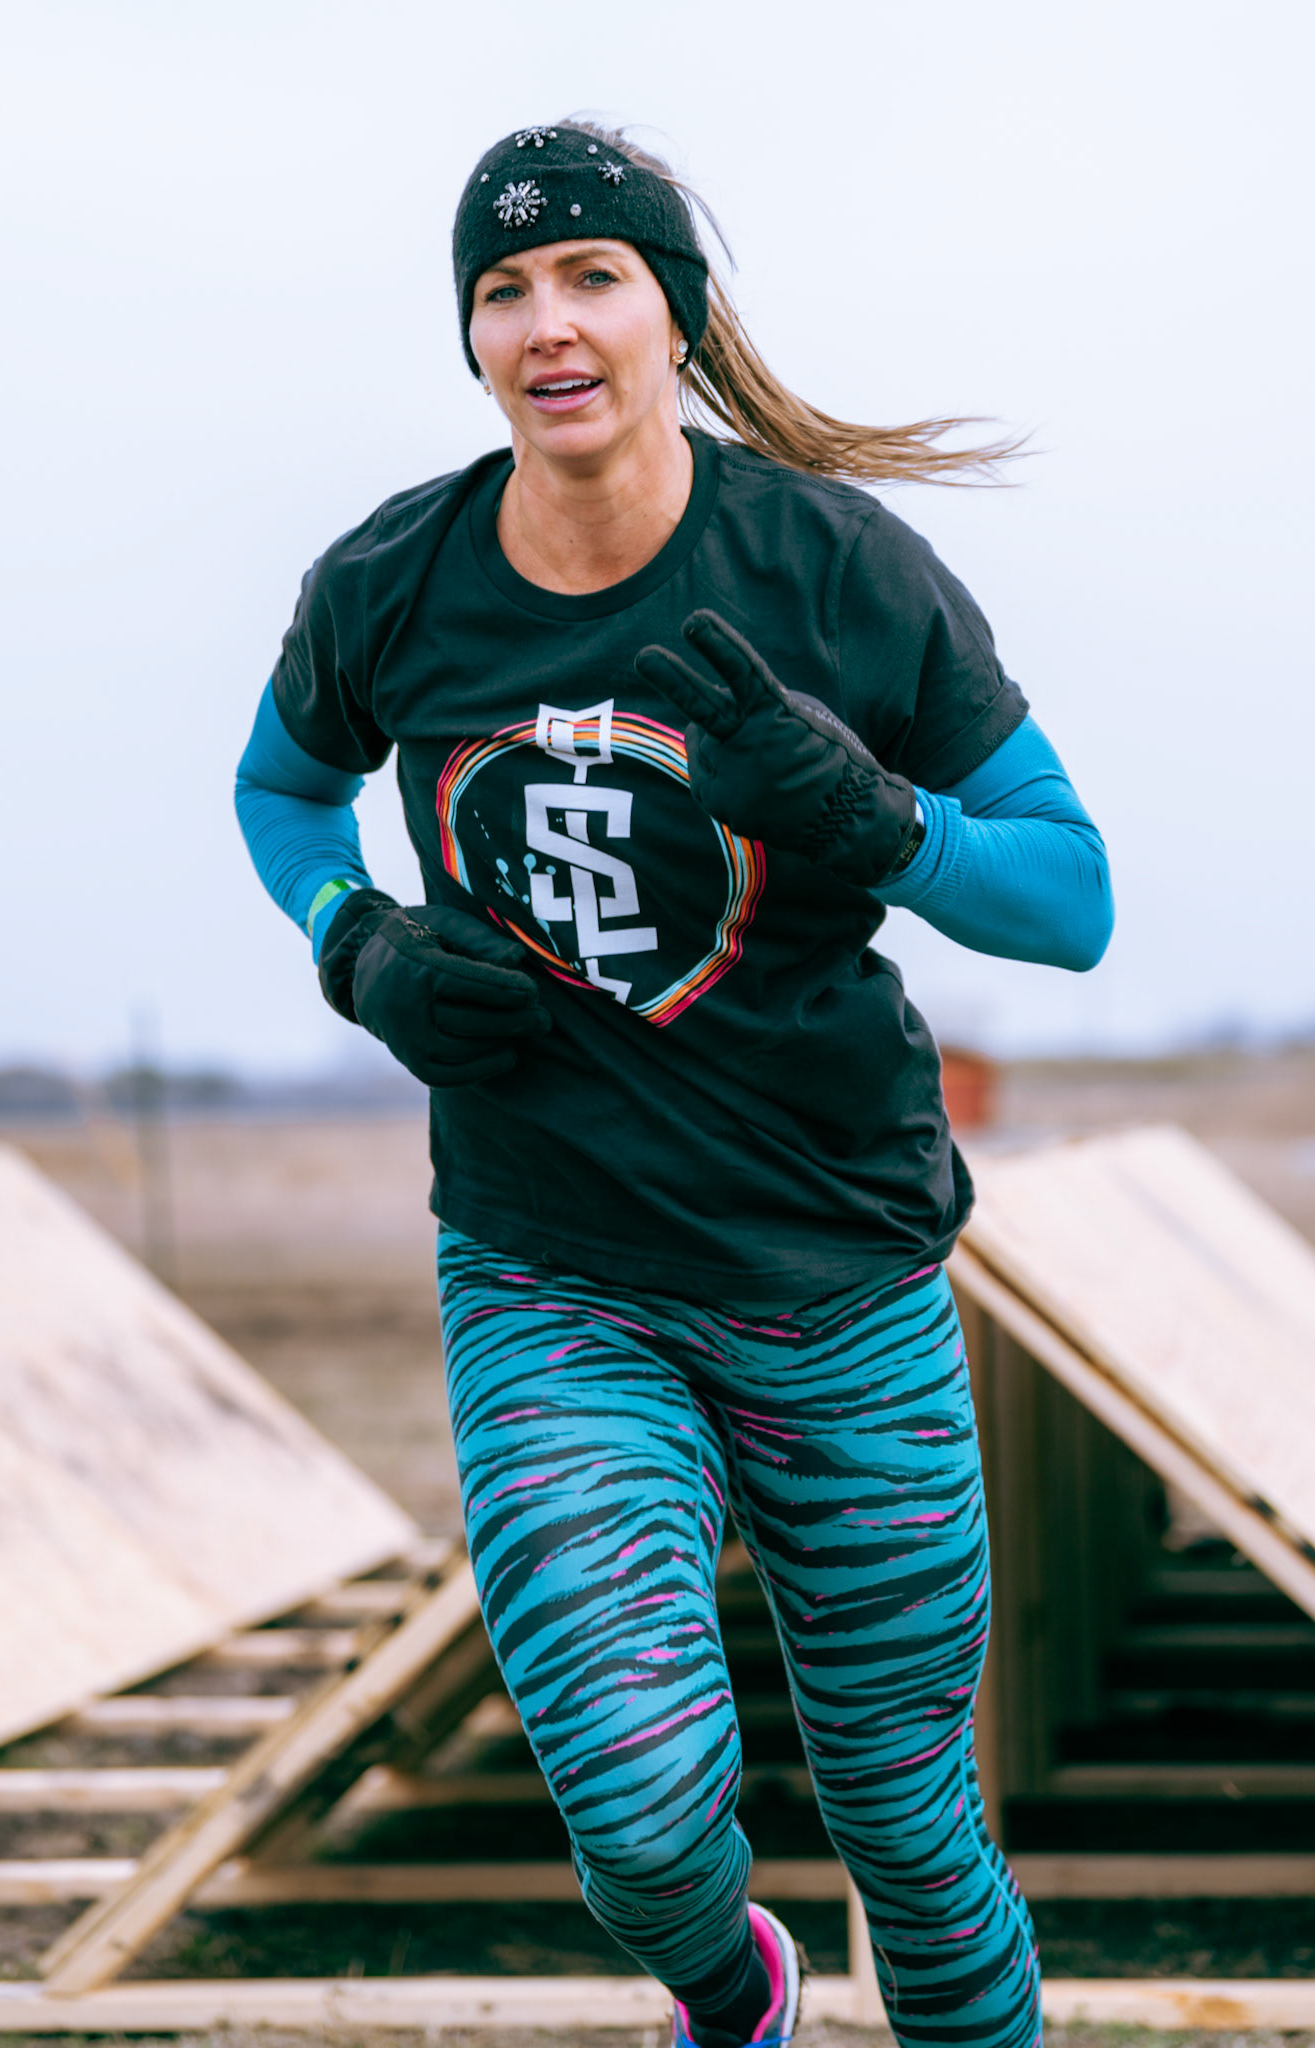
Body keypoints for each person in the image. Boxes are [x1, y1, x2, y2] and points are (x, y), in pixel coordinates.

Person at [236, 118, 1112, 2048]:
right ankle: (735, 1991)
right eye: (502, 290)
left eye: (592, 277)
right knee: (633, 1815)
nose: (547, 322)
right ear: (471, 338)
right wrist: (353, 938)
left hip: (843, 1273)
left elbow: (1070, 902)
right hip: (551, 1271)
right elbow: (279, 788)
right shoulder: (393, 580)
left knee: (905, 1819)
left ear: (677, 316)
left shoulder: (836, 570)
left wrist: (875, 821)